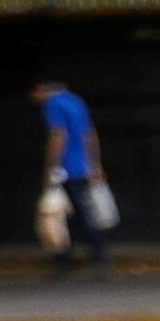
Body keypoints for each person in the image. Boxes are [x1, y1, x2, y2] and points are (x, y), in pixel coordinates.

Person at [29, 76, 112, 273]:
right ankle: (93, 255)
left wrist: (51, 167)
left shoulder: (53, 104)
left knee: (58, 216)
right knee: (82, 214)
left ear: (40, 89)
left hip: (64, 169)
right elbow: (89, 133)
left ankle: (67, 258)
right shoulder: (75, 101)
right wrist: (94, 164)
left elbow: (58, 135)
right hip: (82, 167)